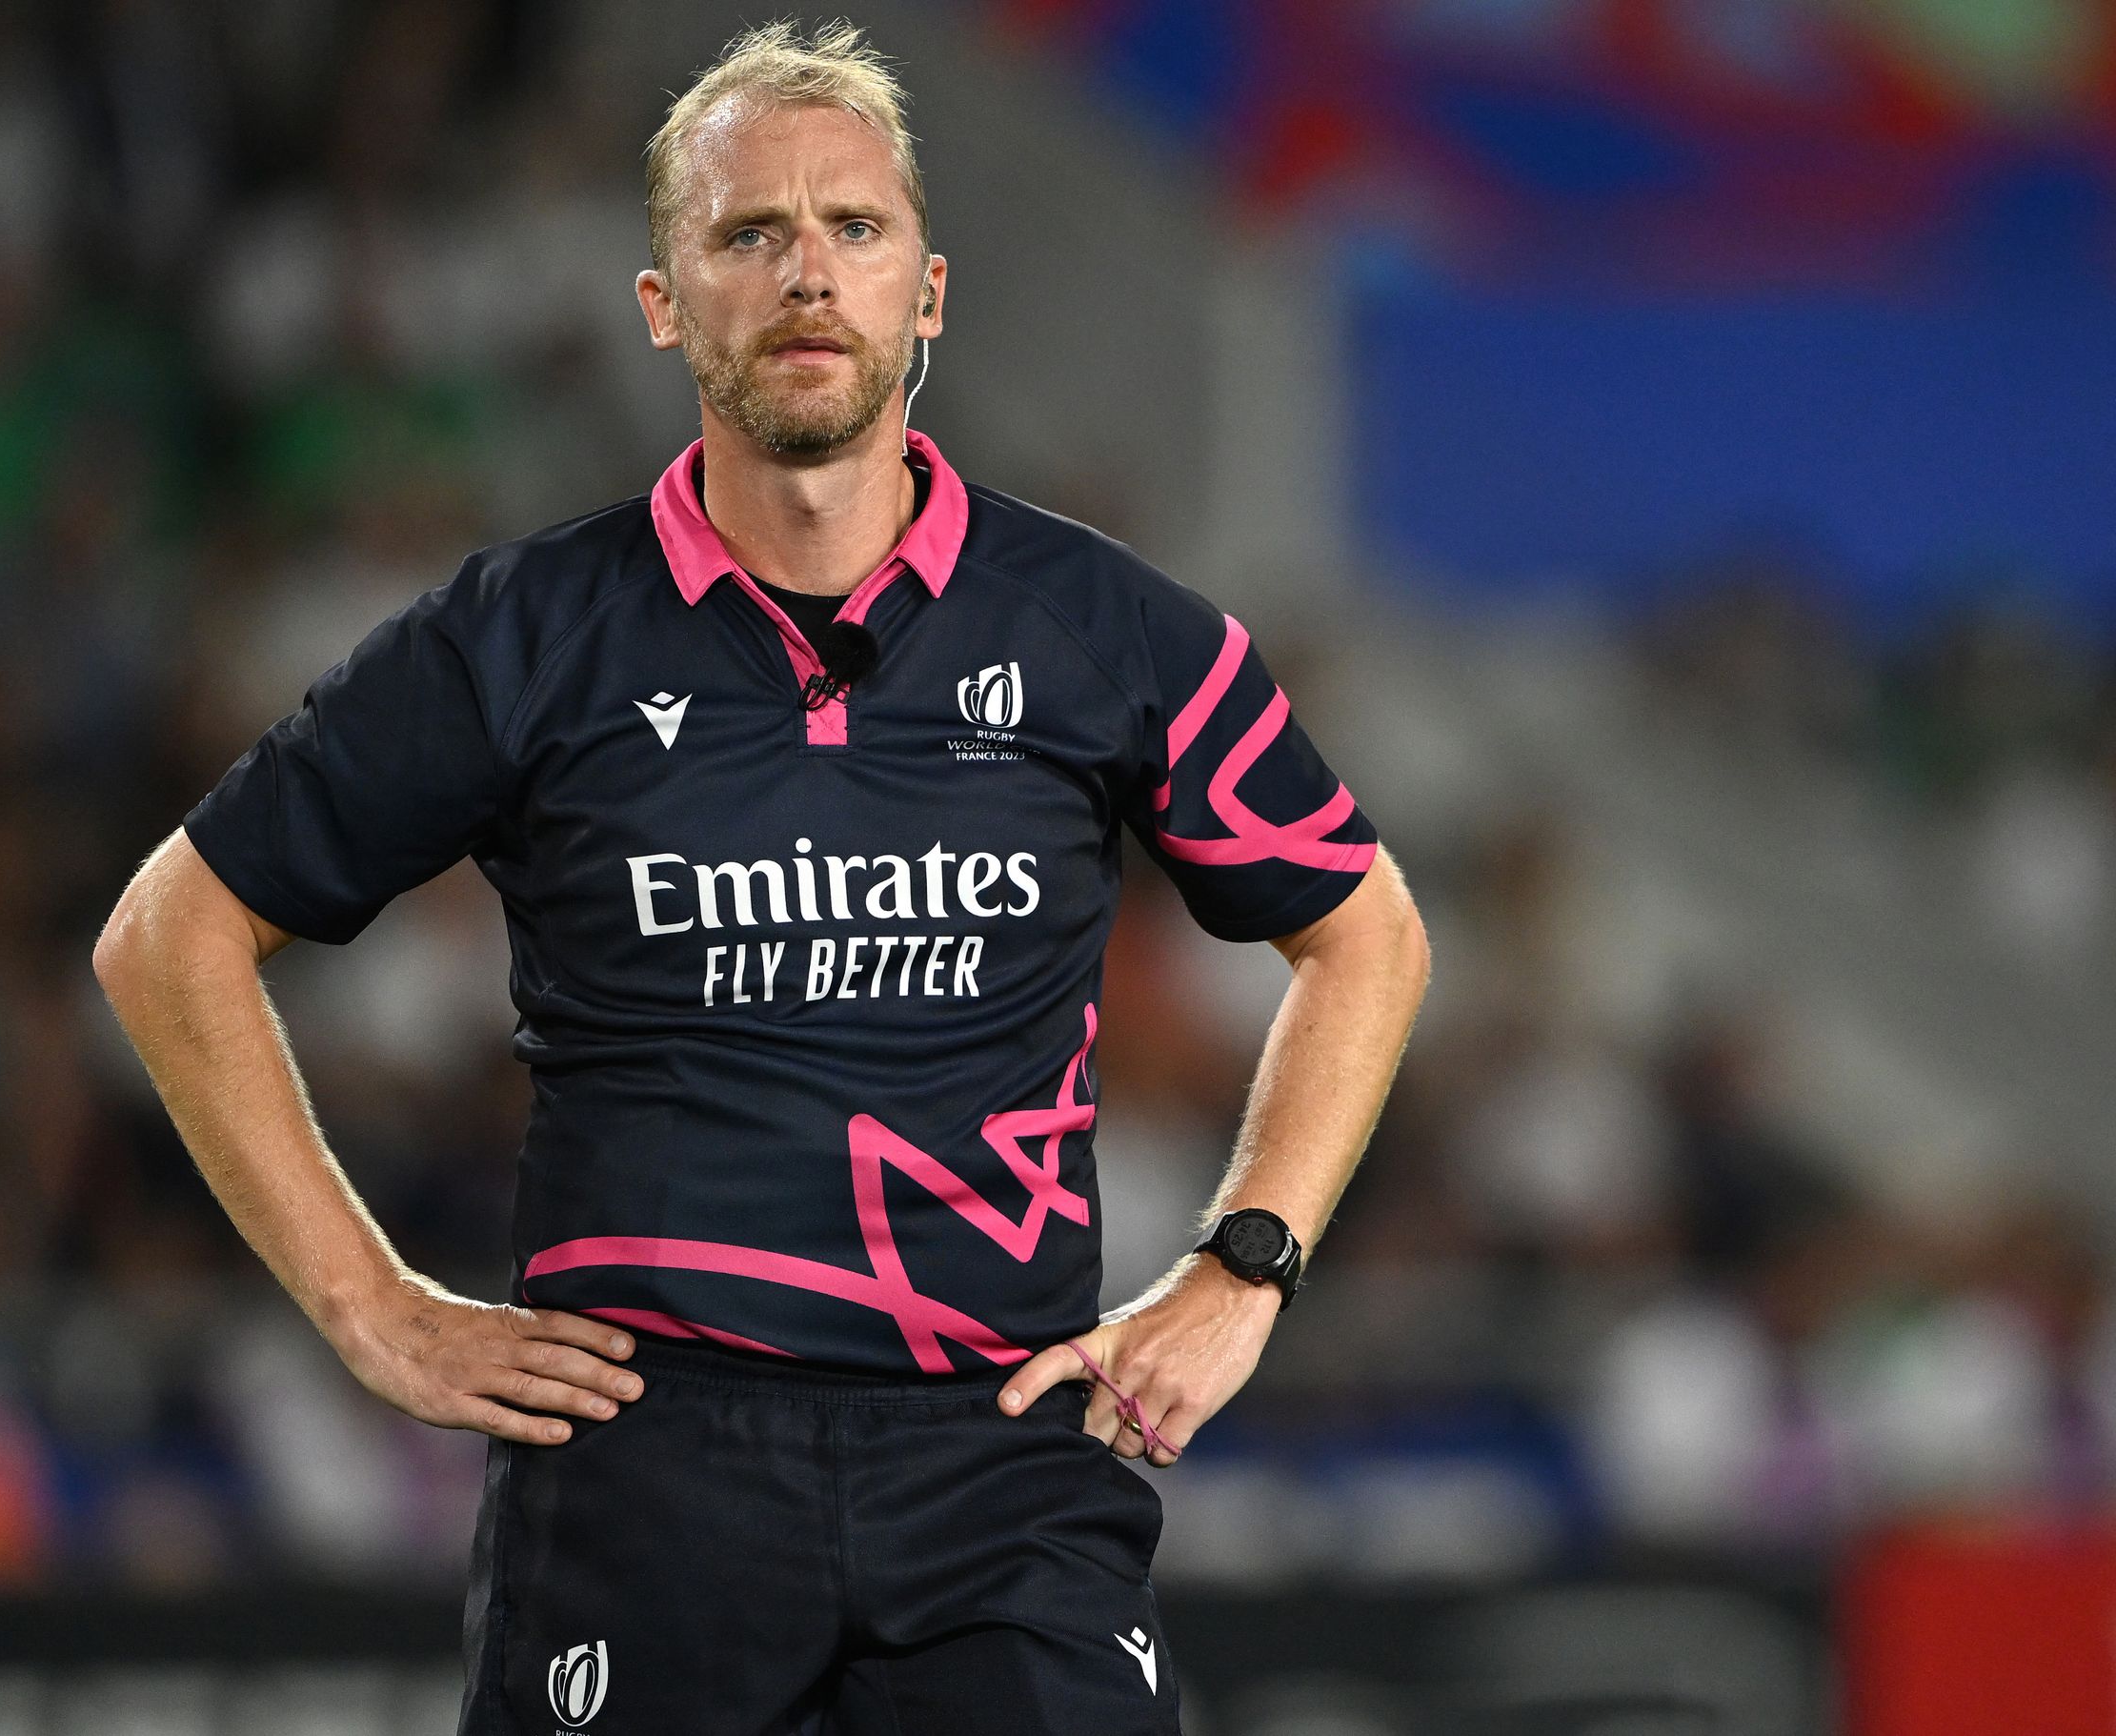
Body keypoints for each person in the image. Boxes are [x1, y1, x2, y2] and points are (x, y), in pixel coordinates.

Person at [91, 21, 1428, 1733]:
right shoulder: (523, 636)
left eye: (854, 230)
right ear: (662, 302)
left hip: (1001, 1453)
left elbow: (1368, 931)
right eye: (748, 234)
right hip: (645, 1469)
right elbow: (169, 934)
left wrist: (1246, 1266)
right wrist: (375, 1311)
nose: (809, 274)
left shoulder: (1107, 631)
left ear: (928, 292)